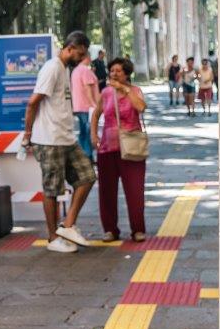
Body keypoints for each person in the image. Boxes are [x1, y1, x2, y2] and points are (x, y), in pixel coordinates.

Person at [23, 31, 97, 253]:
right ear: (71, 47)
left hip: (66, 137)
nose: (82, 58)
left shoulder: (65, 69)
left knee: (87, 177)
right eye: (80, 54)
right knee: (52, 190)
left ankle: (68, 225)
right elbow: (33, 102)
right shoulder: (53, 68)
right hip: (49, 139)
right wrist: (28, 133)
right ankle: (53, 237)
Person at [90, 57, 148, 243]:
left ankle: (138, 230)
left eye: (118, 71)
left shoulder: (135, 91)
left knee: (135, 191)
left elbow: (140, 107)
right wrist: (93, 135)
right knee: (106, 192)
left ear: (127, 74)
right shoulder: (106, 93)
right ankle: (110, 230)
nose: (113, 74)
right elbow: (96, 114)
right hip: (107, 148)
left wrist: (125, 90)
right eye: (112, 70)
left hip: (131, 148)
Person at [71, 53, 101, 160]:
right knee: (88, 132)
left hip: (79, 106)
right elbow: (87, 89)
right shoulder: (85, 70)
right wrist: (94, 105)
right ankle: (87, 156)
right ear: (86, 57)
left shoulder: (76, 70)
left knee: (83, 132)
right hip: (86, 107)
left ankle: (84, 155)